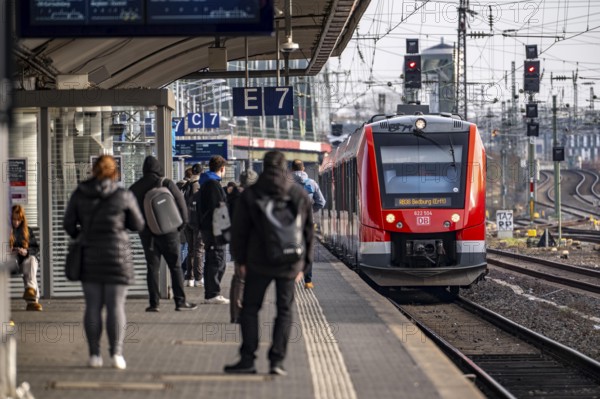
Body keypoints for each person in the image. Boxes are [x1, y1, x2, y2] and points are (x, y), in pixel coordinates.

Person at [225, 151, 314, 375]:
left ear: (264, 166)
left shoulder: (252, 193)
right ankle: (277, 361)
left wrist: (240, 260)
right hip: (289, 261)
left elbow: (239, 231)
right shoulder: (297, 193)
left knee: (251, 309)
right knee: (284, 310)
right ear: (284, 167)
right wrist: (305, 265)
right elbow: (308, 231)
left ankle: (248, 359)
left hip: (258, 261)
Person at [63, 155, 145, 369]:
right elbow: (137, 224)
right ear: (113, 171)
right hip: (117, 256)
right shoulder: (123, 195)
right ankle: (117, 355)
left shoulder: (80, 193)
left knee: (92, 306)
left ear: (93, 170)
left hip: (90, 255)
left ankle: (94, 355)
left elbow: (69, 225)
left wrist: (82, 232)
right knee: (116, 306)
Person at [129, 155, 197, 312]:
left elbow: (128, 214)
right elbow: (181, 205)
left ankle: (154, 303)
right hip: (169, 232)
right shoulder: (166, 183)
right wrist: (180, 227)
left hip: (147, 234)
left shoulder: (135, 187)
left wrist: (139, 228)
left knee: (152, 267)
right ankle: (180, 302)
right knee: (175, 266)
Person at [198, 155, 230, 304]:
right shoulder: (213, 185)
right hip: (214, 229)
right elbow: (218, 208)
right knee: (216, 260)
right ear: (222, 169)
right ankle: (212, 294)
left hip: (208, 227)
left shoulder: (206, 183)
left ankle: (212, 293)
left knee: (213, 259)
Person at [291, 159, 326, 289]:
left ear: (291, 170)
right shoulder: (311, 183)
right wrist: (311, 211)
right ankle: (308, 281)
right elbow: (321, 202)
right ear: (303, 169)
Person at [10, 205, 42, 311]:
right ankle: (32, 299)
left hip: (23, 262)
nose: (16, 222)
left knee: (32, 261)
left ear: (22, 219)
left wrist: (26, 251)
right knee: (30, 270)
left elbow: (35, 248)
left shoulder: (27, 231)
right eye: (14, 219)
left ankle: (30, 293)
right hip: (10, 262)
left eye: (18, 219)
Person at [183, 163, 204, 287]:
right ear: (201, 172)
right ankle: (198, 278)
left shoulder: (186, 185)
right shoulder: (198, 186)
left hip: (187, 221)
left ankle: (188, 278)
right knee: (199, 250)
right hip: (197, 222)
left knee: (190, 250)